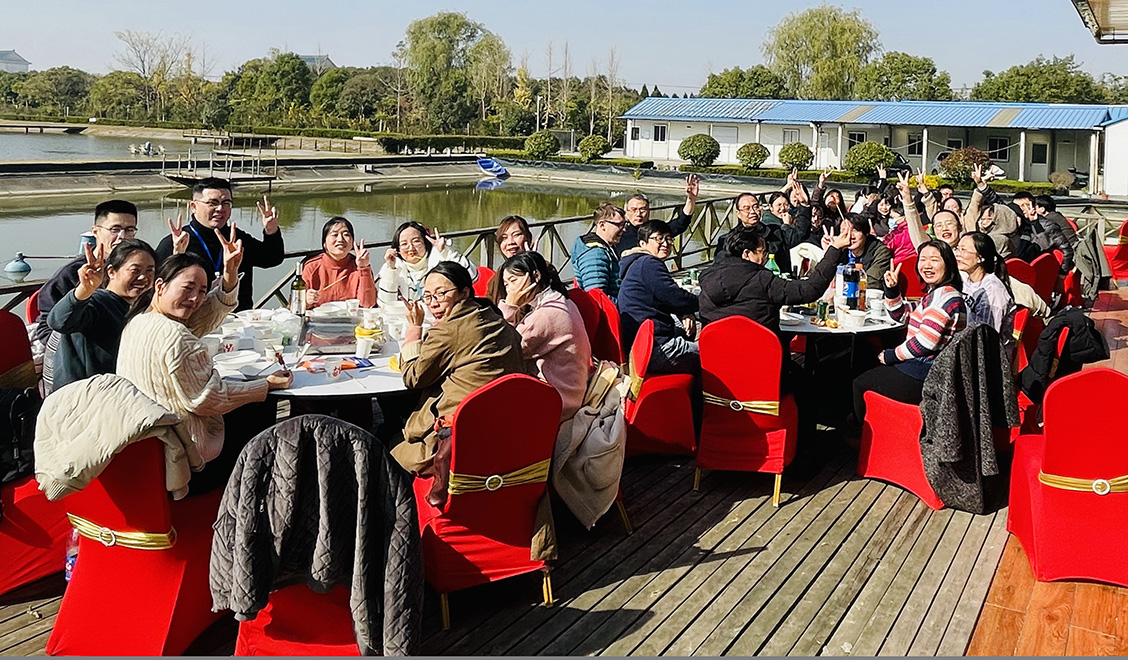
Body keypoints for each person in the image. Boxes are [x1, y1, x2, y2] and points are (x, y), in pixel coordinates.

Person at [117, 231, 293, 495]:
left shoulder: (140, 321)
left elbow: (194, 323)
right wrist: (264, 386)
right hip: (183, 452)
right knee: (263, 411)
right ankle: (252, 495)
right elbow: (208, 398)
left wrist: (230, 276)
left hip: (146, 442)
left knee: (246, 398)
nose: (196, 299)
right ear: (160, 285)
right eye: (188, 288)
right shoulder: (176, 336)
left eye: (202, 291)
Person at [389, 261, 526, 477]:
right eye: (427, 296)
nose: (433, 303)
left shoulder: (449, 330)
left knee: (385, 441)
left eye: (441, 294)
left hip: (456, 439)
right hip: (505, 431)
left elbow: (412, 377)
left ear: (464, 293)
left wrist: (414, 331)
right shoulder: (495, 319)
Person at [852, 241, 967, 422]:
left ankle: (862, 434)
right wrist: (892, 289)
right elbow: (903, 315)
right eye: (922, 259)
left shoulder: (946, 296)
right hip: (922, 368)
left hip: (925, 373)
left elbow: (926, 342)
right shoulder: (935, 294)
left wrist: (892, 355)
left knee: (860, 384)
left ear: (948, 264)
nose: (927, 265)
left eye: (934, 260)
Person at [699, 222, 851, 339]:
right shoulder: (761, 280)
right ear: (747, 254)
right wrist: (835, 249)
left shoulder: (707, 278)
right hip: (762, 362)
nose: (765, 257)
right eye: (762, 252)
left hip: (717, 363)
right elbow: (809, 290)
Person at [44, 239, 157, 395]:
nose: (143, 277)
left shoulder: (141, 308)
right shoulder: (98, 302)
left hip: (121, 395)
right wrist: (84, 290)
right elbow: (58, 321)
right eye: (135, 270)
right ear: (111, 272)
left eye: (150, 270)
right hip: (83, 401)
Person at [156, 178, 285, 312]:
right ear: (193, 206)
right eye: (213, 203)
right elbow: (157, 289)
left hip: (238, 321)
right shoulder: (178, 241)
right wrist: (177, 256)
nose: (220, 209)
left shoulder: (236, 237)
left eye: (226, 203)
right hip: (194, 322)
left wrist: (271, 231)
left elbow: (272, 258)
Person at [498, 251, 593, 421]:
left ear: (536, 276)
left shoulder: (546, 315)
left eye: (514, 280)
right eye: (506, 284)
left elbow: (503, 350)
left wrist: (510, 306)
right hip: (573, 389)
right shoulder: (563, 301)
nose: (509, 289)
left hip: (559, 400)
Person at [34, 200, 139, 344]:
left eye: (130, 230)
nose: (122, 237)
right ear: (95, 231)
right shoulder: (72, 273)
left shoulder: (141, 272)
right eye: (115, 229)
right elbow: (46, 328)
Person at [617, 220, 699, 375]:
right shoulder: (649, 264)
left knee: (685, 328)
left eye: (669, 239)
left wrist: (685, 312)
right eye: (659, 238)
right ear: (643, 243)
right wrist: (704, 302)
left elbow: (667, 296)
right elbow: (674, 296)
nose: (665, 243)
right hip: (653, 348)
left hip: (639, 342)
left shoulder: (636, 262)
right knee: (714, 354)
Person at [377, 221, 476, 307]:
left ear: (425, 242)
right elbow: (385, 303)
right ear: (397, 249)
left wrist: (446, 252)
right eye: (404, 244)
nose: (411, 248)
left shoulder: (439, 259)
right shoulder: (394, 266)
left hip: (442, 319)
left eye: (416, 241)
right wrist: (391, 269)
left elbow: (472, 277)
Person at [614, 174, 699, 256]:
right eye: (634, 210)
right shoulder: (619, 231)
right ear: (626, 212)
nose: (638, 214)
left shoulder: (655, 230)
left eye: (642, 210)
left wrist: (691, 200)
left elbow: (681, 223)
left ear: (649, 211)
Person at [301, 216, 376, 309]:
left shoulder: (358, 266)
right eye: (335, 235)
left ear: (352, 242)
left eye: (346, 234)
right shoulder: (312, 267)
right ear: (324, 243)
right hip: (320, 321)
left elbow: (368, 304)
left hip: (352, 321)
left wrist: (364, 268)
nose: (340, 239)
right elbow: (294, 307)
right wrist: (306, 301)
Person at [956, 232, 1015, 337]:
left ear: (980, 258)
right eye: (957, 248)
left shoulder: (992, 291)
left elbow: (988, 335)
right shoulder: (967, 283)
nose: (957, 254)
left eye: (963, 250)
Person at [572, 202, 627, 300]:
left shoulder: (607, 247)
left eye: (624, 224)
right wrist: (626, 306)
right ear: (602, 225)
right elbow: (597, 297)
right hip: (609, 313)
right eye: (619, 225)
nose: (624, 229)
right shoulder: (595, 254)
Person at [836, 214, 892, 289]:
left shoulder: (881, 252)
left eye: (855, 231)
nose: (850, 236)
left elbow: (872, 282)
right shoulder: (840, 250)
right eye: (844, 231)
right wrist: (830, 252)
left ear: (866, 233)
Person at [487, 215, 534, 302]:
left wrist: (532, 262)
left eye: (516, 235)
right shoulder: (499, 274)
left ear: (528, 238)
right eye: (504, 237)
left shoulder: (543, 268)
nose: (510, 242)